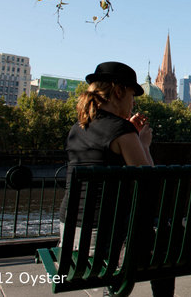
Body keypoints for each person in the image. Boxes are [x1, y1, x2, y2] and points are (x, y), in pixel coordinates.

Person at [57, 62, 163, 296]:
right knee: (164, 244)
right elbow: (148, 181)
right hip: (103, 243)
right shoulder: (121, 129)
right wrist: (143, 143)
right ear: (118, 92)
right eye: (132, 96)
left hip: (70, 237)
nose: (133, 103)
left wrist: (130, 134)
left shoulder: (78, 127)